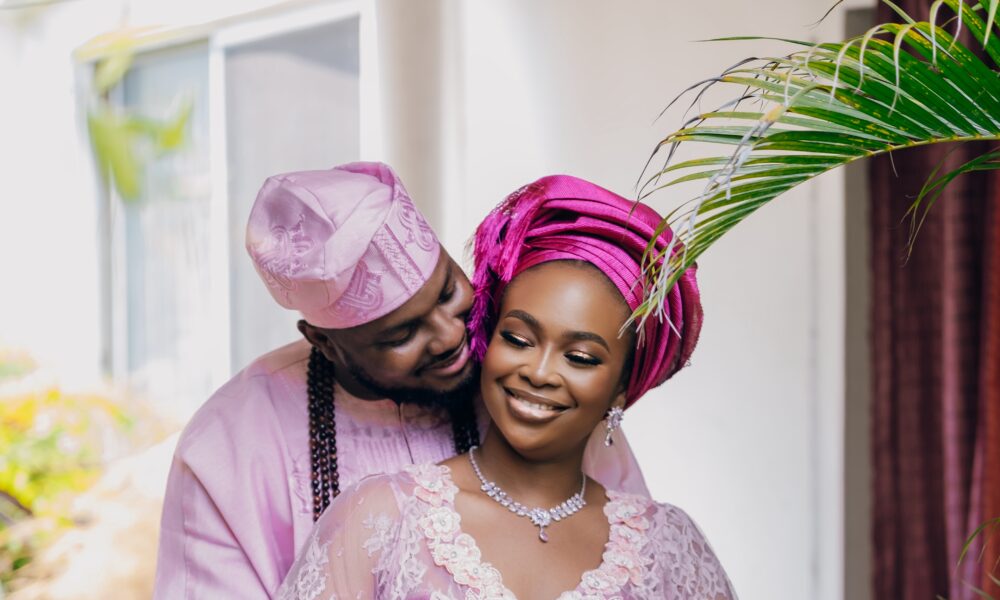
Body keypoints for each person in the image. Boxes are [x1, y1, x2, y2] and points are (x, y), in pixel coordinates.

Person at [153, 163, 649, 599]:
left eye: (449, 291)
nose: (452, 334)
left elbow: (631, 558)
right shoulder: (229, 443)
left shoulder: (528, 388)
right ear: (324, 343)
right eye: (403, 334)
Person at [277, 175, 737, 599]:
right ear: (487, 339)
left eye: (579, 357)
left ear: (621, 389)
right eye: (518, 338)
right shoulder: (382, 517)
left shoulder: (672, 548)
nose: (539, 371)